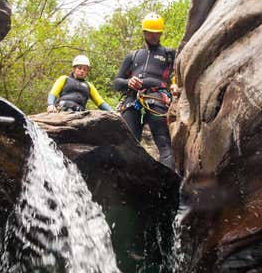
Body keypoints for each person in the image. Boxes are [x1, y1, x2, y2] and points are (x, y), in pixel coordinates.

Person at [113, 12, 178, 169]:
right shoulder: (133, 56)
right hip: (132, 100)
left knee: (163, 143)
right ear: (144, 32)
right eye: (150, 33)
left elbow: (180, 73)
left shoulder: (169, 54)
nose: (154, 36)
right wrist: (129, 82)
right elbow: (116, 83)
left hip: (157, 98)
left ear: (160, 33)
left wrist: (176, 84)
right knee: (129, 143)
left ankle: (166, 184)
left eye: (156, 33)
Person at [47, 54, 112, 113]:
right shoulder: (64, 79)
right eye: (79, 68)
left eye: (84, 69)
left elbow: (100, 102)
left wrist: (112, 112)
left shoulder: (89, 86)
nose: (82, 71)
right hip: (63, 109)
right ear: (74, 68)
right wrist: (50, 104)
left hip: (80, 113)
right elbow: (53, 93)